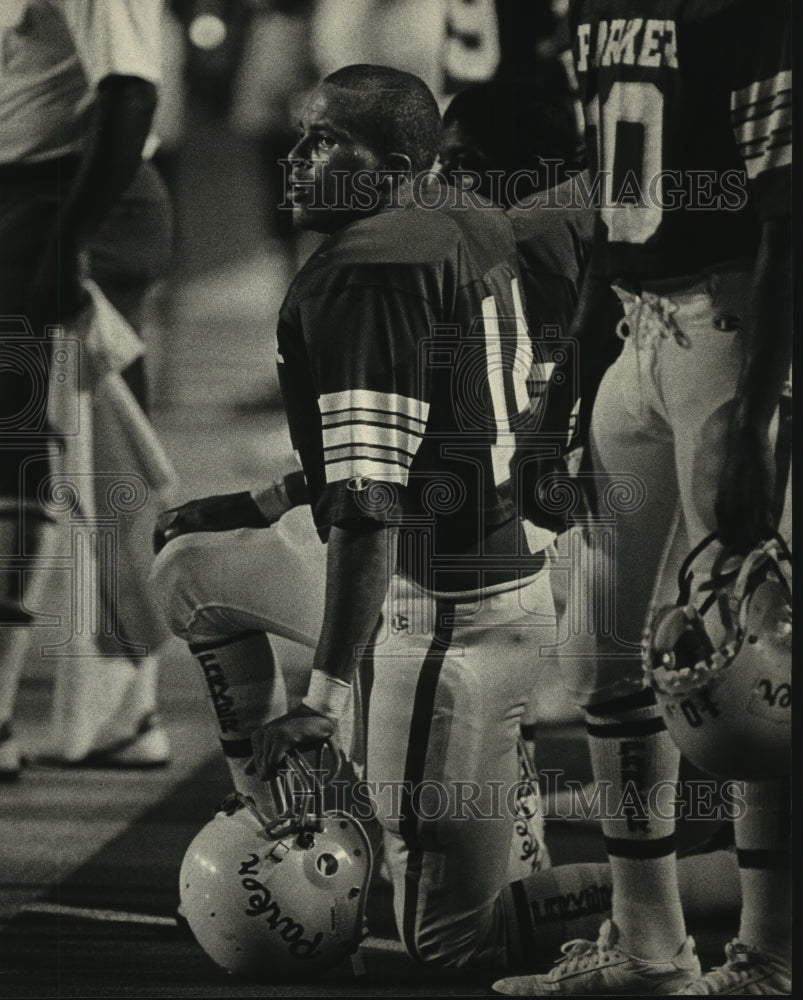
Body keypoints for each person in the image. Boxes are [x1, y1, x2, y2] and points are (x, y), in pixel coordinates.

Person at [152, 64, 742, 974]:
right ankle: (299, 819)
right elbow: (397, 448)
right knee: (192, 566)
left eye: (324, 143)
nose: (295, 159)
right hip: (475, 577)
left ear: (396, 164)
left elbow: (369, 509)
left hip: (445, 614)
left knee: (451, 941)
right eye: (301, 136)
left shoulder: (369, 271)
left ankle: (728, 884)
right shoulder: (485, 226)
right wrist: (266, 502)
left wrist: (321, 701)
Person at [493, 0, 793, 994]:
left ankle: (769, 953)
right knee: (597, 657)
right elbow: (612, 211)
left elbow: (791, 208)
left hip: (728, 333)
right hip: (637, 335)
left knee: (747, 675)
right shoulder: (595, 10)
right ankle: (648, 948)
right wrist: (557, 396)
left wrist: (754, 411)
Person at [0, 0, 173, 778]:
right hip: (34, 197)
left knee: (36, 460)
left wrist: (66, 239)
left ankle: (20, 710)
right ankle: (125, 710)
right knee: (89, 464)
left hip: (63, 197)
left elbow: (130, 91)